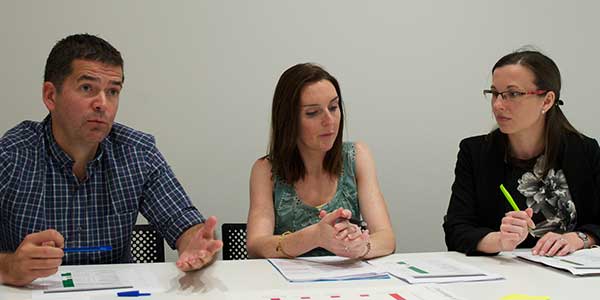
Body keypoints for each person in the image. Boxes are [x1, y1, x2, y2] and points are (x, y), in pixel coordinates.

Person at [0, 34, 222, 286]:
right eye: (87, 88)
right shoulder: (11, 155)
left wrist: (195, 243)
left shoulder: (137, 153)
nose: (102, 104)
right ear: (51, 96)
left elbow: (185, 225)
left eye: (113, 91)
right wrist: (8, 267)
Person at [443, 50, 600, 257]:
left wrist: (578, 238)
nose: (498, 105)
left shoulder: (583, 150)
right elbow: (456, 229)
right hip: (504, 276)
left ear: (547, 101)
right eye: (494, 93)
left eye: (513, 94)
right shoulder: (475, 152)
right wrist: (499, 240)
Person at [246, 63, 395, 259]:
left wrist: (362, 246)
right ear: (289, 120)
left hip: (348, 283)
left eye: (333, 107)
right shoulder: (266, 170)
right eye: (312, 113)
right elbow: (256, 246)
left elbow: (386, 238)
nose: (329, 120)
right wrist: (314, 236)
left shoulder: (357, 156)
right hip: (288, 286)